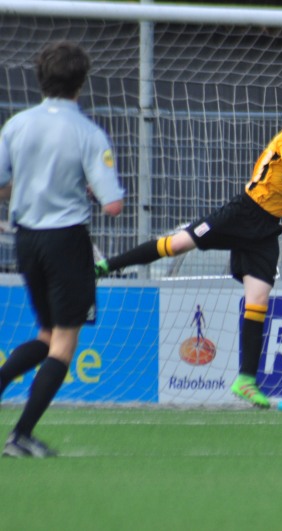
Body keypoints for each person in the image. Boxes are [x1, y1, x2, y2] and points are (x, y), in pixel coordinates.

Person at [95, 93, 282, 408]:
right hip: (242, 213)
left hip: (265, 230)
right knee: (178, 244)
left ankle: (245, 381)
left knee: (258, 299)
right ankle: (105, 266)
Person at [0, 41, 125, 457]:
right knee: (64, 342)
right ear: (81, 82)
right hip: (66, 240)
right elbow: (113, 205)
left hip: (26, 239)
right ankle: (20, 436)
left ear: (41, 78)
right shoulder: (87, 132)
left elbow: (2, 186)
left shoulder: (16, 125)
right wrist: (87, 186)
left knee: (47, 333)